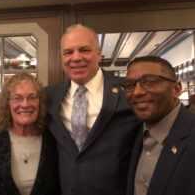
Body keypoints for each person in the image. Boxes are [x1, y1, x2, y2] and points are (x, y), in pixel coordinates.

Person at [45, 24, 139, 195]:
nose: (76, 58)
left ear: (98, 54)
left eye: (84, 50)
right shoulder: (49, 97)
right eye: (68, 52)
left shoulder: (128, 92)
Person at [125, 56, 195, 195]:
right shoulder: (131, 134)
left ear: (176, 89)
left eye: (150, 81)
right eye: (130, 85)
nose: (137, 91)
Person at [0, 73, 59, 195]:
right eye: (17, 98)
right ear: (7, 103)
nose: (25, 104)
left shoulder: (53, 137)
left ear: (40, 102)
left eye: (32, 97)